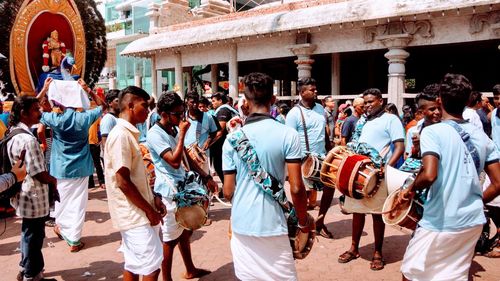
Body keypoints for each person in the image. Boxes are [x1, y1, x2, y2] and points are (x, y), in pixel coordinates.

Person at [399, 74, 500, 281]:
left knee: (410, 274)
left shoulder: (432, 132)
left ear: (440, 100)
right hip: (473, 222)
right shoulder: (482, 136)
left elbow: (428, 175)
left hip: (441, 221)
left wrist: (408, 189)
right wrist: (476, 201)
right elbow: (498, 183)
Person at [222, 72, 312, 280]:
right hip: (273, 223)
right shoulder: (287, 134)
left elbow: (228, 192)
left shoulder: (232, 139)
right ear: (273, 100)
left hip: (241, 223)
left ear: (245, 102)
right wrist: (303, 222)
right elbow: (297, 188)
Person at [147, 91, 211, 281]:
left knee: (185, 231)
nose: (182, 117)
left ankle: (190, 269)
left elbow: (185, 157)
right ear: (164, 114)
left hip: (182, 187)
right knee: (169, 239)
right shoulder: (155, 134)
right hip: (169, 193)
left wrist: (205, 176)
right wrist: (183, 133)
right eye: (178, 114)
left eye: (182, 112)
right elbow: (174, 161)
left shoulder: (173, 129)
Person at [338, 88, 405, 270]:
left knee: (376, 215)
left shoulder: (391, 119)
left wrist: (387, 166)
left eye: (371, 102)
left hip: (378, 173)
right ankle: (354, 248)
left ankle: (377, 252)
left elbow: (399, 146)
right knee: (357, 212)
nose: (367, 105)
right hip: (359, 173)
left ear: (380, 101)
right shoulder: (362, 121)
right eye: (365, 102)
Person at [104, 86, 165, 281]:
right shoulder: (120, 135)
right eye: (144, 106)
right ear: (130, 106)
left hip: (137, 212)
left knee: (134, 263)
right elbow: (122, 182)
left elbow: (135, 178)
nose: (148, 111)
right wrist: (149, 210)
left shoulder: (128, 134)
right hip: (134, 215)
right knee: (151, 267)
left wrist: (153, 199)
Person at [38, 78, 104, 252]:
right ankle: (73, 238)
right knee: (77, 203)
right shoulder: (84, 117)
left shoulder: (55, 119)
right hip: (81, 167)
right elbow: (104, 107)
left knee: (62, 201)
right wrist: (89, 90)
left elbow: (34, 109)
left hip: (61, 167)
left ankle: (66, 231)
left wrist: (44, 89)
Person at [7, 96, 58, 281]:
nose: (40, 112)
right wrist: (53, 181)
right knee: (34, 237)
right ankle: (32, 275)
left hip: (24, 192)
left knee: (28, 233)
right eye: (36, 109)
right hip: (33, 195)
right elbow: (38, 172)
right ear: (24, 113)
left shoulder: (13, 131)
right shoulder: (27, 139)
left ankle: (25, 268)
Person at [286, 77, 334, 239]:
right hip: (303, 161)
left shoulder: (321, 109)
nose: (315, 92)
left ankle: (320, 222)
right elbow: (289, 139)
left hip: (322, 158)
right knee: (302, 196)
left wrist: (331, 151)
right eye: (311, 90)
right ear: (301, 92)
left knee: (330, 188)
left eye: (315, 89)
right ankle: (303, 225)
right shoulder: (294, 113)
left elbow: (324, 133)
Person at [405, 84, 441, 159]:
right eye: (432, 109)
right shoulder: (413, 132)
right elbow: (408, 158)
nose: (437, 112)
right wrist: (417, 148)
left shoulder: (448, 129)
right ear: (421, 112)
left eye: (439, 108)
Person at [210, 93, 238, 184]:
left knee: (221, 167)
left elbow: (220, 131)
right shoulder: (230, 109)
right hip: (231, 144)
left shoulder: (223, 111)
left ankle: (229, 189)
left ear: (220, 101)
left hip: (222, 146)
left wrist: (208, 143)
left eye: (214, 101)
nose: (212, 103)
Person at [88, 118, 105, 189]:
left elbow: (101, 128)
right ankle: (90, 183)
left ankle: (102, 182)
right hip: (85, 144)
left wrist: (100, 140)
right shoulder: (83, 115)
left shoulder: (97, 117)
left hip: (95, 143)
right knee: (88, 164)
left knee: (97, 163)